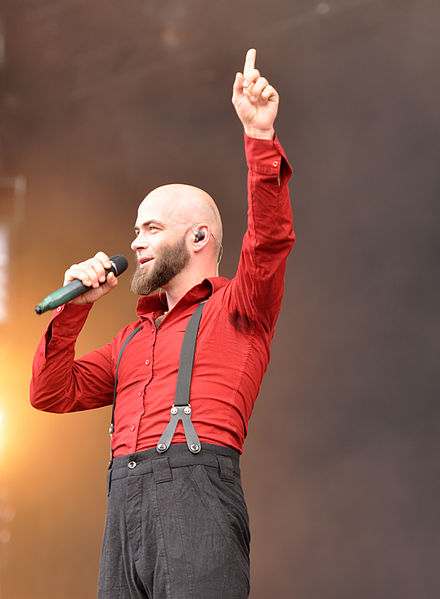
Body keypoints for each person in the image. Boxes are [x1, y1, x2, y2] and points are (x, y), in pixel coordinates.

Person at [30, 49, 295, 599]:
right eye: (135, 230)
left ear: (197, 238)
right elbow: (49, 392)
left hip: (197, 501)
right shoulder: (131, 339)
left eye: (150, 228)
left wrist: (259, 137)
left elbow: (268, 241)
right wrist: (77, 305)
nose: (134, 243)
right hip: (124, 507)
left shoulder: (239, 307)